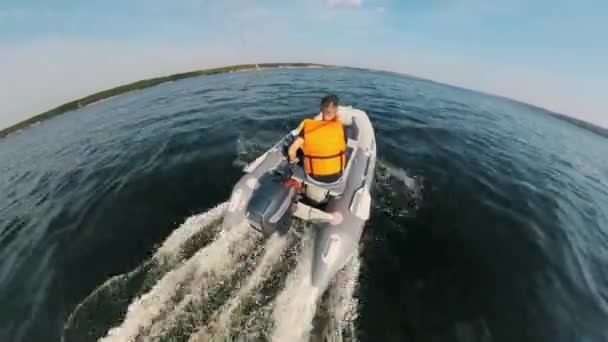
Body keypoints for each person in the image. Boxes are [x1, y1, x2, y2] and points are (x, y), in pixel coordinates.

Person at [287, 94, 347, 184]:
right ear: (336, 110)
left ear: (321, 109)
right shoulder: (340, 127)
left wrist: (293, 161)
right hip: (336, 176)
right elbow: (343, 146)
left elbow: (291, 151)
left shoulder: (308, 127)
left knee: (298, 148)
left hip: (314, 176)